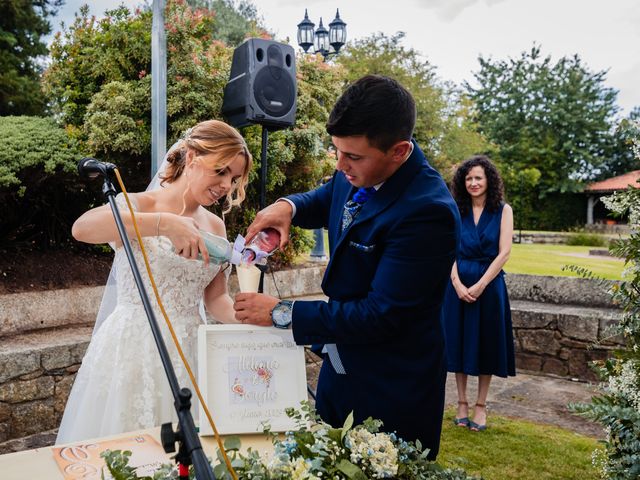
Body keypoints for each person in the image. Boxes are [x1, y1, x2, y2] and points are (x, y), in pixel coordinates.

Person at [233, 75, 460, 460]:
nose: (340, 166)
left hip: (390, 384)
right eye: (336, 152)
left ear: (400, 151)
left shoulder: (428, 213)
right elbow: (326, 198)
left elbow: (381, 315)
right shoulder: (358, 170)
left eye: (352, 157)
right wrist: (289, 207)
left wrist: (282, 313)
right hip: (340, 366)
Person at [56, 120, 252, 444]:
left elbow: (216, 300)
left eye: (233, 179)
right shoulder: (141, 205)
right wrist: (164, 224)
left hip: (191, 352)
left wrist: (251, 319)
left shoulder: (216, 226)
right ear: (191, 158)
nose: (225, 186)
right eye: (220, 171)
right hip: (133, 347)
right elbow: (82, 228)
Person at [441, 155, 515, 432]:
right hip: (457, 285)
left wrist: (481, 284)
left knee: (486, 344)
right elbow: (447, 249)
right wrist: (457, 284)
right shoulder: (454, 209)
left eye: (478, 178)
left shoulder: (503, 210)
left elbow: (504, 252)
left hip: (489, 285)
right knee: (458, 342)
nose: (473, 183)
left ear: (489, 181)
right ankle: (461, 402)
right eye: (469, 178)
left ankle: (481, 406)